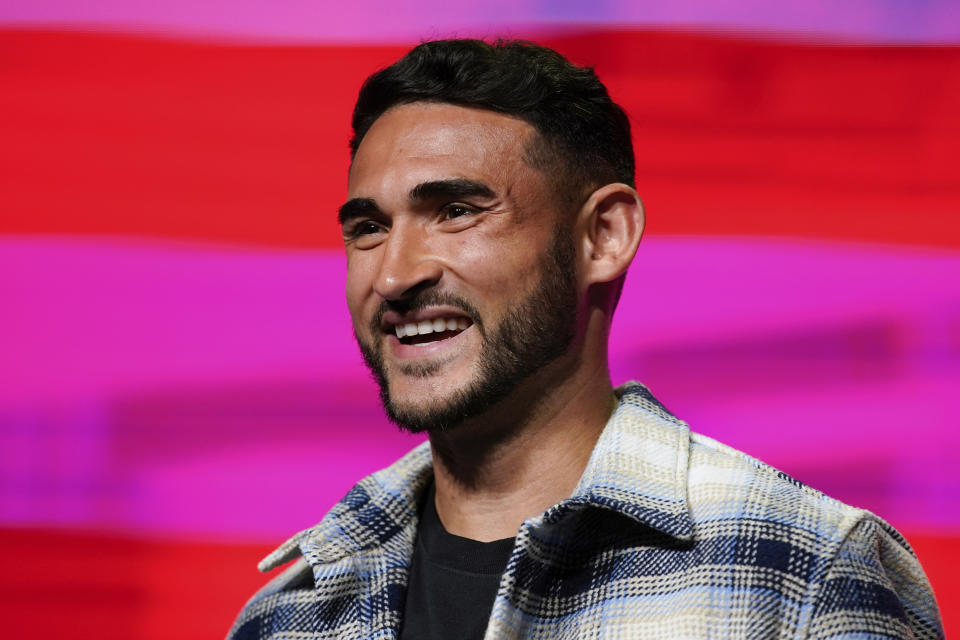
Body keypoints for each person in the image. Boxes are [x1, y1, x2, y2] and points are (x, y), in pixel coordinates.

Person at [227, 39, 943, 640]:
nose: (394, 275)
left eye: (455, 211)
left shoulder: (808, 574)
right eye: (369, 228)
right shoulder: (289, 615)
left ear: (604, 235)